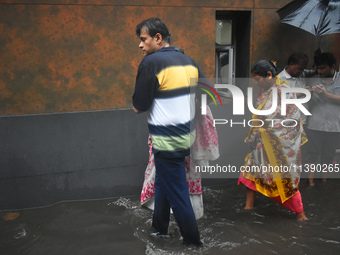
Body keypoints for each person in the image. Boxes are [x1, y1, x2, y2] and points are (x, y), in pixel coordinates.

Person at [132, 17, 206, 247]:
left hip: (166, 140)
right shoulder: (188, 61)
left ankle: (194, 245)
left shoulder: (150, 64)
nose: (140, 45)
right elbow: (208, 93)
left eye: (143, 40)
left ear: (157, 38)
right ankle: (159, 229)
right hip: (185, 135)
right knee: (165, 181)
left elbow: (138, 106)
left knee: (179, 195)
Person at [238, 60, 307, 221]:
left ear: (269, 75)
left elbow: (289, 121)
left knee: (284, 178)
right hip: (262, 141)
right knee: (251, 169)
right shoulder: (266, 89)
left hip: (279, 143)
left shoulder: (284, 92)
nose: (255, 82)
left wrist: (260, 131)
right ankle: (249, 206)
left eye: (257, 79)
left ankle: (300, 214)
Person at [305, 52, 340, 186]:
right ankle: (310, 182)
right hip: (315, 123)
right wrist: (306, 93)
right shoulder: (314, 79)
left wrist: (326, 94)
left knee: (329, 153)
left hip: (335, 124)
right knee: (313, 152)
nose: (320, 71)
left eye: (323, 68)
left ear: (333, 66)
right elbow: (307, 102)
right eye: (318, 68)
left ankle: (324, 180)